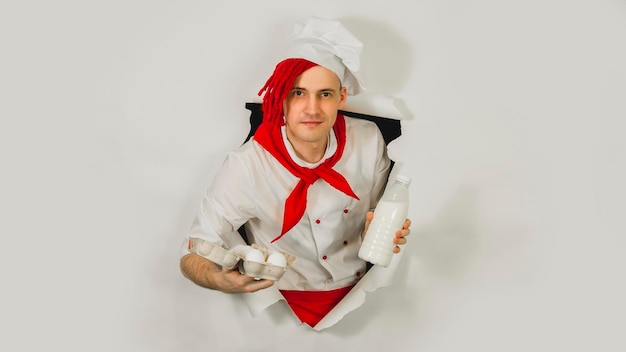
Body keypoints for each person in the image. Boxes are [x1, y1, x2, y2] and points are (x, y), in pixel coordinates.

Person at [179, 16, 411, 328]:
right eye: (298, 93)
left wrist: (376, 232)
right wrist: (220, 281)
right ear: (280, 97)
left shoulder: (368, 140)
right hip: (282, 305)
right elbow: (194, 248)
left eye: (325, 94)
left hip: (364, 295)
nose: (312, 108)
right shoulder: (247, 165)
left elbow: (377, 214)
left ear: (341, 97)